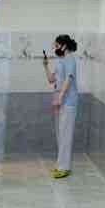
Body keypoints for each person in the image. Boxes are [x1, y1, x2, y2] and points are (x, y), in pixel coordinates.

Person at [42, 34, 79, 179]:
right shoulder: (60, 60)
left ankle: (64, 167)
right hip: (59, 101)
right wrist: (45, 66)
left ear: (64, 46)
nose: (55, 48)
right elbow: (51, 80)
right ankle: (60, 164)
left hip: (68, 102)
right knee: (60, 134)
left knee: (66, 135)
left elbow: (68, 79)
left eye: (57, 45)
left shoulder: (70, 59)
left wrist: (60, 97)